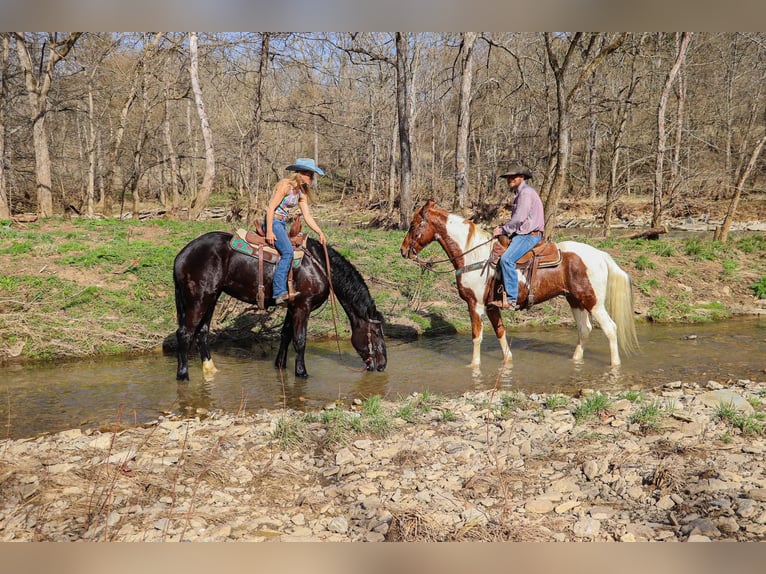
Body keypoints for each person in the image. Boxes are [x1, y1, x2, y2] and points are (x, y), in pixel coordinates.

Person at [265, 158, 327, 307]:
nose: (312, 179)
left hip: (282, 224)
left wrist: (319, 232)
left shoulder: (301, 192)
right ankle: (279, 292)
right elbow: (270, 208)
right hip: (274, 222)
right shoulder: (285, 185)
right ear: (302, 173)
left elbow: (307, 216)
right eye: (310, 175)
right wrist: (268, 230)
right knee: (287, 253)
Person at [489, 160, 545, 310]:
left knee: (506, 259)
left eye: (513, 177)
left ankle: (512, 299)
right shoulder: (521, 193)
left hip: (529, 235)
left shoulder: (525, 193)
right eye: (508, 177)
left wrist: (502, 230)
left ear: (521, 177)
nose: (509, 180)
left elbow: (519, 218)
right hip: (524, 233)